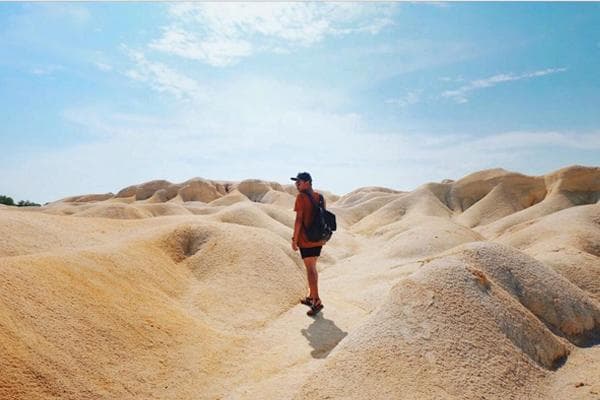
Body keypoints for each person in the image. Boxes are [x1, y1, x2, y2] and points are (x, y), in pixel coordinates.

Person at [291, 172, 327, 316]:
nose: (296, 185)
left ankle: (316, 301)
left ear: (307, 182)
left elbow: (299, 220)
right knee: (312, 268)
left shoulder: (301, 197)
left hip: (306, 240)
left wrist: (294, 239)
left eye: (298, 182)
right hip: (318, 238)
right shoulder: (320, 197)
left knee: (310, 269)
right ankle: (311, 296)